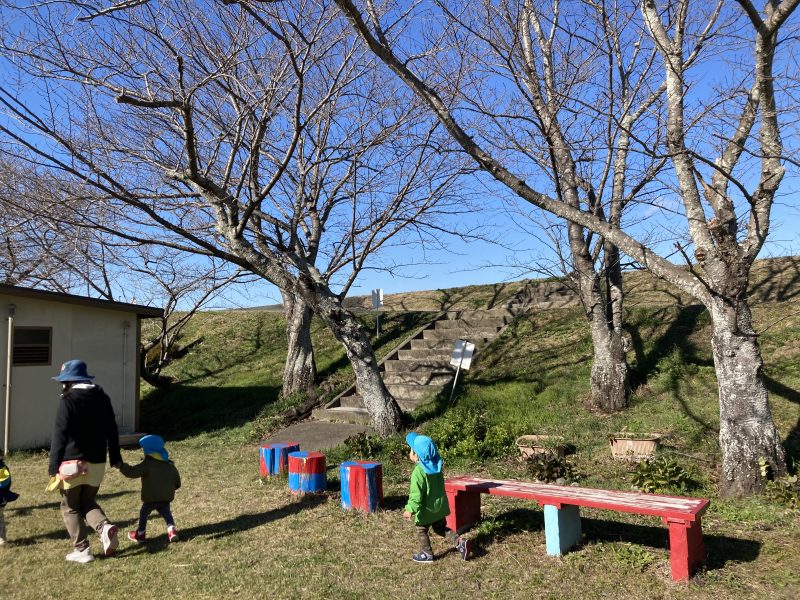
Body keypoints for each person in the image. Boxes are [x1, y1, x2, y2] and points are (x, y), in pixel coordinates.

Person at [49, 359, 122, 563]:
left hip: (72, 464)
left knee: (70, 505)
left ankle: (82, 550)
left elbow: (60, 434)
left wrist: (53, 466)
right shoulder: (102, 397)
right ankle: (105, 528)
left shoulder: (68, 400)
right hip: (98, 462)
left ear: (69, 381)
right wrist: (115, 457)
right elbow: (112, 430)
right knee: (87, 501)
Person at [403, 432, 471, 563]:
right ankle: (460, 542)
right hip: (439, 507)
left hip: (426, 510)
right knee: (440, 528)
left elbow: (416, 494)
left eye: (411, 450)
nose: (410, 452)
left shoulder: (418, 472)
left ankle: (426, 553)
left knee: (421, 530)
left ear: (416, 455)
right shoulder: (437, 467)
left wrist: (410, 509)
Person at [118, 434, 181, 543]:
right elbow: (177, 482)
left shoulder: (147, 464)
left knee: (144, 513)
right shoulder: (169, 464)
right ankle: (171, 530)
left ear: (148, 451)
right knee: (166, 512)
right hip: (166, 497)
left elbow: (132, 472)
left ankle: (140, 534)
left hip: (150, 498)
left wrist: (122, 466)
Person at [0, 450, 20, 545]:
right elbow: (6, 484)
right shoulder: (4, 468)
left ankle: (2, 539)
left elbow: (5, 484)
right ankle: (2, 539)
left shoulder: (3, 469)